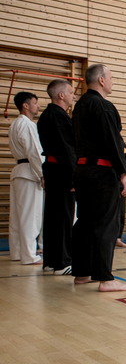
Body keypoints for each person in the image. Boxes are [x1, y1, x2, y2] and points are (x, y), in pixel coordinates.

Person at [70, 64, 126, 291]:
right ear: (100, 80)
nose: (112, 81)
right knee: (106, 224)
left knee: (84, 222)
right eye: (111, 77)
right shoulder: (103, 106)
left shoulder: (79, 106)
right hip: (101, 172)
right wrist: (123, 173)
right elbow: (112, 142)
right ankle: (105, 279)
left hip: (82, 171)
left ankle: (82, 273)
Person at [38, 80, 76, 273]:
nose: (73, 95)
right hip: (62, 170)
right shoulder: (58, 116)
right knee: (63, 216)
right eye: (70, 92)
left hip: (53, 169)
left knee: (53, 215)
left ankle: (50, 261)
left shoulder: (47, 115)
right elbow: (66, 149)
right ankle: (62, 263)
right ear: (61, 95)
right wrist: (74, 176)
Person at [9, 91, 44, 265]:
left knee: (17, 216)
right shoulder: (27, 124)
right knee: (31, 215)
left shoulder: (15, 124)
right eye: (35, 103)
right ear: (25, 105)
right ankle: (29, 255)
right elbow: (34, 152)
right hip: (30, 172)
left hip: (19, 171)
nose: (38, 106)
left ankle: (17, 252)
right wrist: (42, 173)